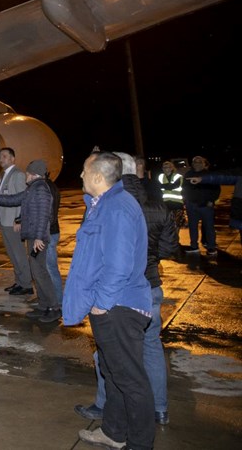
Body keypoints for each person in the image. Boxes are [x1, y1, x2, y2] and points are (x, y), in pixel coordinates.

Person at [75, 152, 180, 427]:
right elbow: (170, 249)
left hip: (121, 295)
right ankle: (159, 409)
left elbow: (109, 258)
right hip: (151, 286)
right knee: (151, 350)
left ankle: (105, 407)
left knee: (114, 362)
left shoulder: (114, 204)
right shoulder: (157, 206)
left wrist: (101, 301)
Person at [63, 152, 154, 450]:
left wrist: (102, 302)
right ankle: (114, 433)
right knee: (113, 373)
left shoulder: (116, 208)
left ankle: (140, 444)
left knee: (130, 379)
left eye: (84, 171)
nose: (80, 176)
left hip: (119, 307)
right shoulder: (103, 205)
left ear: (99, 177)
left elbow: (119, 264)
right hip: (112, 306)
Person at [0, 159, 61, 323]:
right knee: (37, 271)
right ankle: (44, 306)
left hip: (38, 239)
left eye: (27, 174)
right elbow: (14, 199)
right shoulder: (33, 188)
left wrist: (38, 237)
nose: (25, 176)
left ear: (34, 174)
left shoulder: (41, 189)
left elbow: (45, 215)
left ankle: (54, 307)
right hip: (33, 237)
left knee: (40, 272)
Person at [0, 147, 33, 296]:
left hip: (13, 222)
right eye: (0, 157)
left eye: (4, 156)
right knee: (12, 254)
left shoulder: (17, 175)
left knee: (19, 254)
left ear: (12, 159)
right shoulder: (4, 175)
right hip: (4, 221)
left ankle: (27, 284)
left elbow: (23, 199)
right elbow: (0, 199)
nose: (1, 159)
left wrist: (19, 219)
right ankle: (19, 281)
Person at [182, 155, 220, 257]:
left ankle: (211, 247)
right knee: (193, 227)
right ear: (192, 164)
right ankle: (194, 246)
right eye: (195, 162)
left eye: (199, 162)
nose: (197, 164)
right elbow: (184, 189)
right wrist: (186, 200)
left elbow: (216, 189)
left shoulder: (209, 175)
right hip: (191, 205)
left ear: (204, 163)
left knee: (209, 227)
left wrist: (211, 201)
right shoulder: (188, 174)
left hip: (206, 206)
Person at [156, 160, 186, 229]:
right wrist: (167, 186)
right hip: (165, 204)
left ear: (172, 168)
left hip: (177, 204)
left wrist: (163, 186)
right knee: (166, 225)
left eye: (168, 167)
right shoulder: (160, 177)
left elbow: (173, 186)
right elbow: (157, 187)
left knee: (176, 224)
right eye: (164, 167)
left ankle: (175, 239)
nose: (166, 169)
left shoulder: (178, 176)